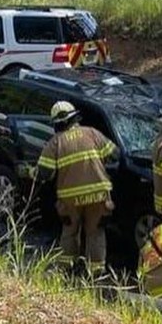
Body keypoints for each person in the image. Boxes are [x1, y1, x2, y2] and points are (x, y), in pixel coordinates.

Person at [35, 101, 119, 274]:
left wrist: (28, 171)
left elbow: (44, 173)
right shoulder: (92, 133)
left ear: (56, 124)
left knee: (70, 232)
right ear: (75, 118)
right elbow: (115, 155)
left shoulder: (54, 143)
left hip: (69, 200)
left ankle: (66, 269)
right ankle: (96, 273)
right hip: (98, 196)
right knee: (95, 233)